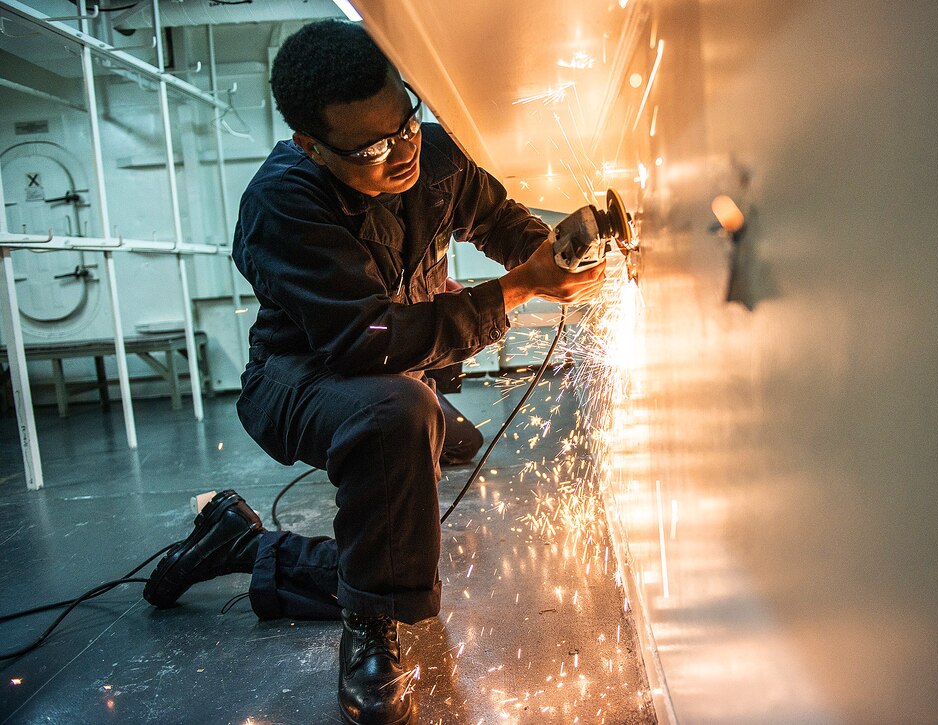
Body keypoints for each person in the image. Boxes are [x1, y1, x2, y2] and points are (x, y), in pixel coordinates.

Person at [141, 18, 606, 725]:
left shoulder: (435, 153)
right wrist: (517, 289)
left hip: (389, 365)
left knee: (446, 441)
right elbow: (369, 340)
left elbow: (503, 224)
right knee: (399, 421)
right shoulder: (283, 203)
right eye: (371, 148)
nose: (402, 153)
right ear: (312, 146)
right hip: (299, 377)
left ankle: (243, 544)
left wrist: (558, 252)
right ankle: (369, 628)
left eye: (406, 123)